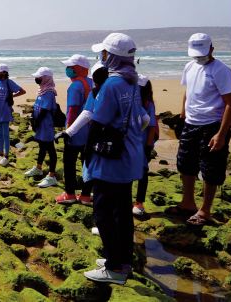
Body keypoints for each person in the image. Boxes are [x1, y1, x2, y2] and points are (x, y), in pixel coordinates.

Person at [82, 33, 150, 285]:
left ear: (111, 56)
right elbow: (143, 119)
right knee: (121, 212)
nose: (101, 57)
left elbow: (97, 123)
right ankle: (122, 260)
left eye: (103, 53)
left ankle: (114, 268)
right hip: (130, 155)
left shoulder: (111, 85)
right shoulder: (132, 82)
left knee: (103, 213)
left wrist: (87, 154)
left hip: (111, 160)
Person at [167, 33, 231, 226]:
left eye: (203, 52)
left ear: (212, 48)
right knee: (185, 164)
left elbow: (230, 103)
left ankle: (205, 210)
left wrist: (221, 133)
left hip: (212, 125)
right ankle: (188, 203)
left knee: (211, 168)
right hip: (191, 124)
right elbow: (188, 91)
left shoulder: (221, 70)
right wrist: (182, 115)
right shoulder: (189, 66)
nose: (199, 56)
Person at [55, 54, 94, 205]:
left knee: (69, 163)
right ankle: (85, 195)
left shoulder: (75, 86)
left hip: (76, 133)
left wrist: (68, 130)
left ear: (78, 69)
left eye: (70, 67)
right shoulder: (93, 83)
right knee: (87, 163)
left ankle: (70, 194)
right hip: (90, 132)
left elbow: (72, 109)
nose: (67, 69)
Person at [25, 67, 58, 188]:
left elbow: (44, 110)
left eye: (39, 77)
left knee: (50, 149)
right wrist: (33, 121)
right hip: (40, 126)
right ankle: (38, 168)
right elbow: (36, 108)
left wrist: (37, 122)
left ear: (46, 78)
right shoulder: (41, 91)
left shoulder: (49, 92)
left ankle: (52, 175)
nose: (36, 79)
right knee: (42, 147)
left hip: (46, 126)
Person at [0, 63, 26, 166]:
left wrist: (12, 96)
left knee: (6, 135)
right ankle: (0, 154)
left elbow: (23, 91)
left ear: (4, 72)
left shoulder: (9, 83)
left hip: (5, 111)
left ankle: (6, 156)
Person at [132, 75, 158, 217]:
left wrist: (148, 147)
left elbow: (152, 127)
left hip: (142, 146)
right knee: (128, 172)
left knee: (142, 173)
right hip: (131, 143)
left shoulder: (148, 104)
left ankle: (139, 202)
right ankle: (130, 201)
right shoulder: (131, 101)